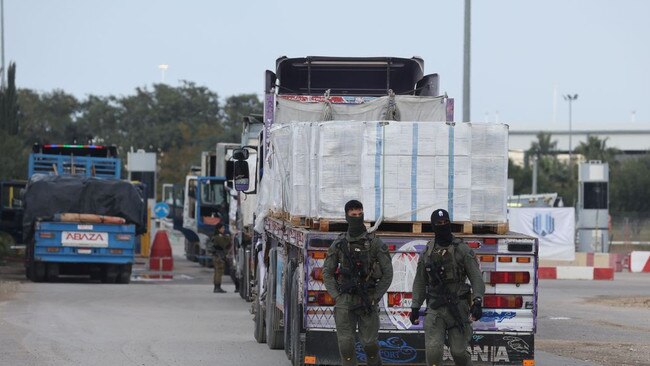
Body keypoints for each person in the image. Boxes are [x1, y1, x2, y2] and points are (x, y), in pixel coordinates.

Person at [409, 209, 485, 366]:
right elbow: (420, 281)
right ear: (433, 226)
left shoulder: (462, 249)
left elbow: (476, 277)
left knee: (458, 352)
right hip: (435, 308)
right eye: (439, 223)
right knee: (433, 352)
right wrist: (415, 306)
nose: (443, 226)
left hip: (458, 306)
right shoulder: (428, 252)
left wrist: (477, 301)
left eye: (445, 223)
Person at [322, 200, 393, 366]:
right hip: (345, 299)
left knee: (369, 344)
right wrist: (337, 296)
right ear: (346, 216)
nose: (357, 217)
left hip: (367, 299)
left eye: (359, 214)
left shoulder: (375, 243)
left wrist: (376, 295)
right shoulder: (339, 244)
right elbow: (327, 272)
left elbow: (388, 273)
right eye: (353, 215)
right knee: (346, 346)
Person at [209, 222, 231, 293]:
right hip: (218, 256)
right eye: (222, 228)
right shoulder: (218, 237)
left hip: (217, 256)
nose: (223, 229)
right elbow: (224, 244)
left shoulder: (216, 236)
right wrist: (228, 237)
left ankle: (216, 287)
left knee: (217, 272)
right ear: (219, 229)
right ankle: (217, 287)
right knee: (219, 272)